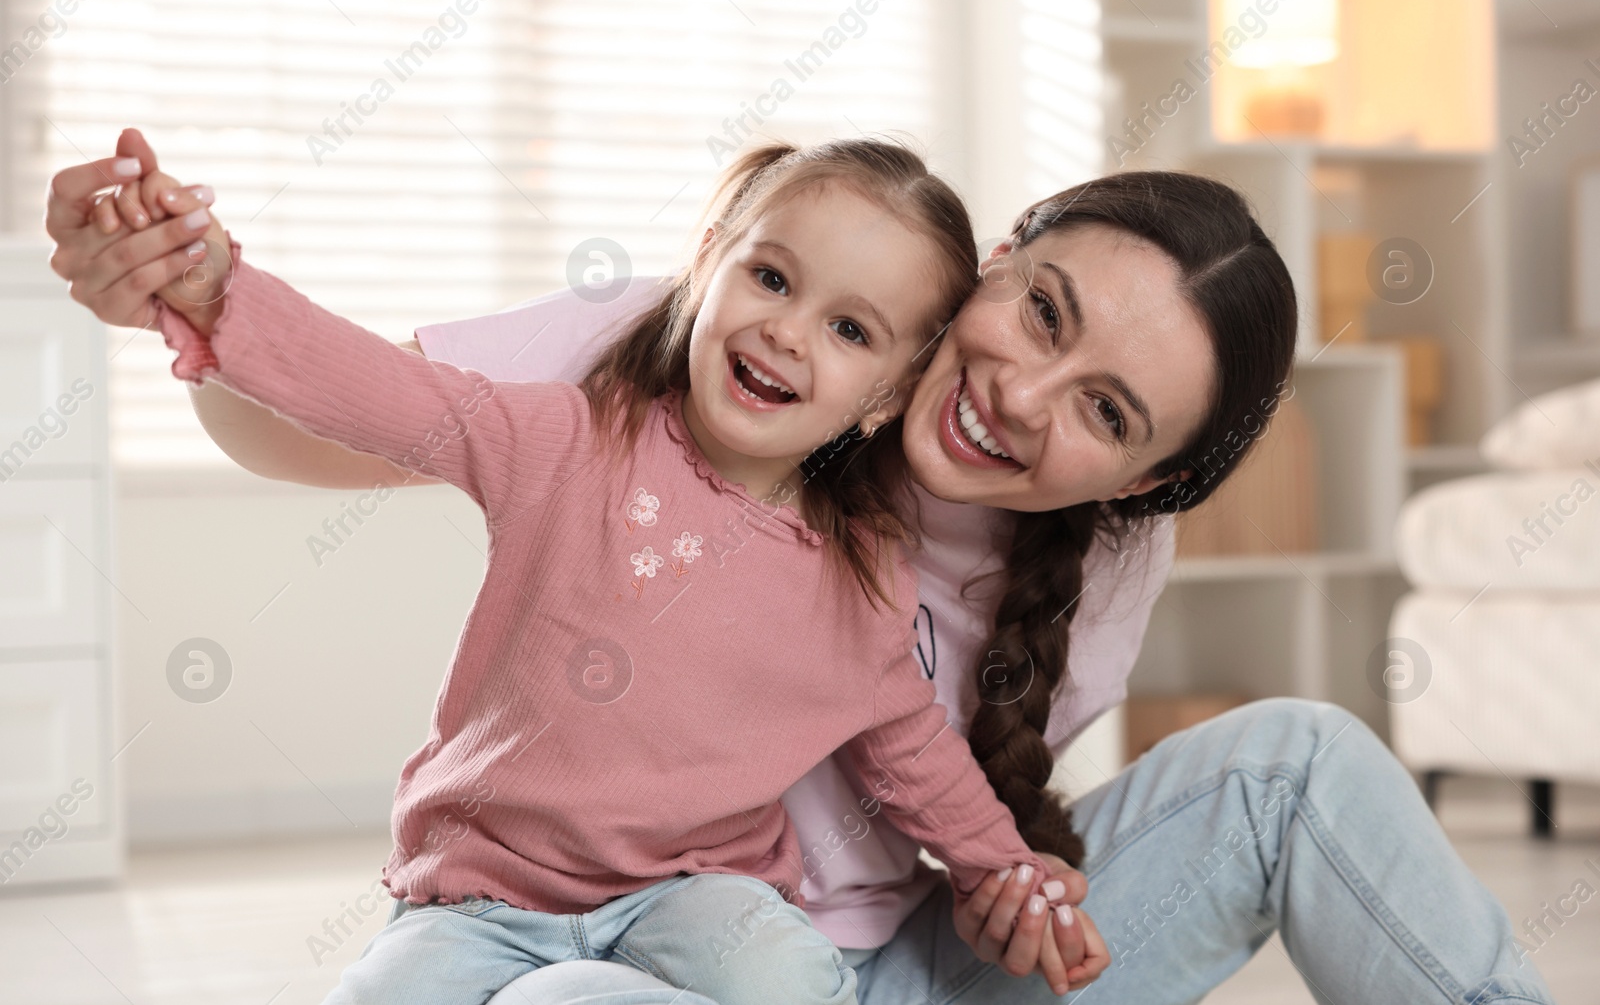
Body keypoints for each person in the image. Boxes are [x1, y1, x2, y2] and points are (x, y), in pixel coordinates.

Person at [48, 130, 1555, 1004]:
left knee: (1300, 762)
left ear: (1149, 481)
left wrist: (1013, 888)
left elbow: (934, 781)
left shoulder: (1091, 551)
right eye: (1040, 312)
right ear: (993, 266)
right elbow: (358, 414)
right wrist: (195, 305)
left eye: (1107, 411)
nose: (1025, 399)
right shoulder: (676, 359)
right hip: (620, 951)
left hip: (840, 968)